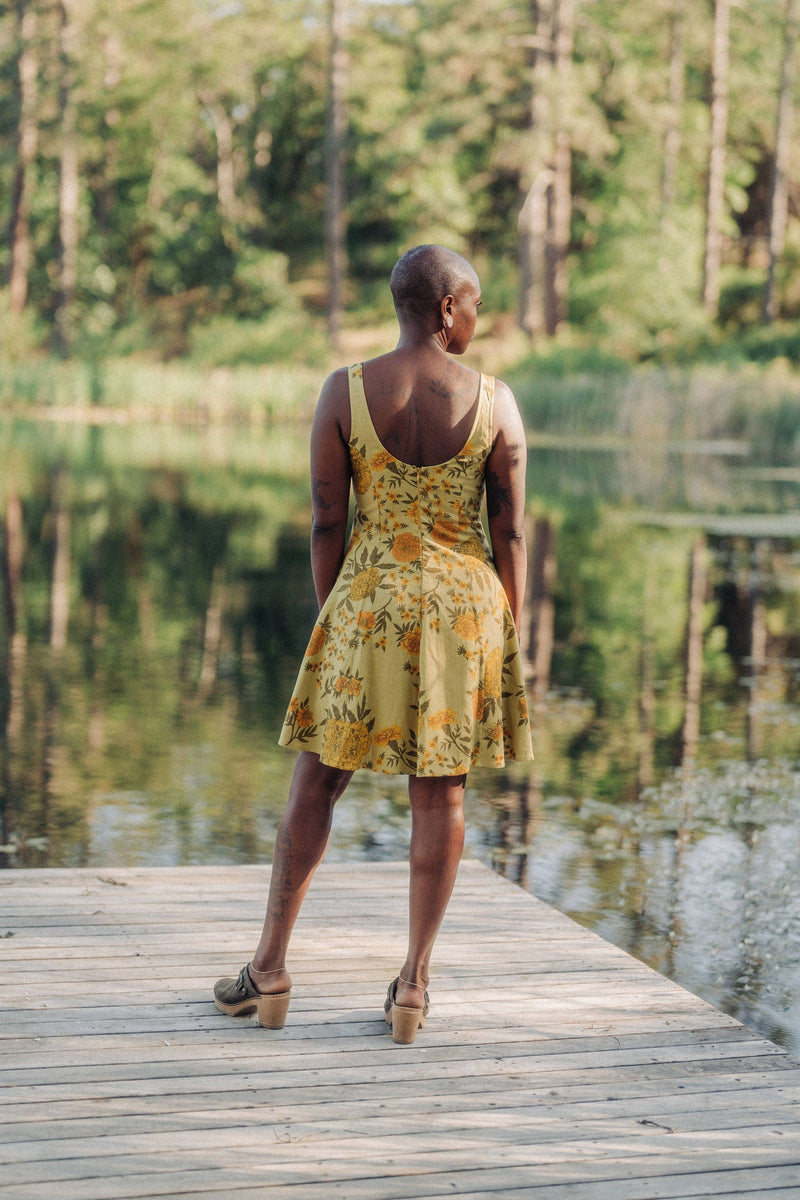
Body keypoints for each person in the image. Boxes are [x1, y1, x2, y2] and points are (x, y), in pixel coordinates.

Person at [214, 245, 533, 1043]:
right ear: (446, 309)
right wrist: (508, 628)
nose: (478, 319)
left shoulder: (344, 392)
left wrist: (341, 615)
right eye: (475, 305)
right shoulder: (495, 400)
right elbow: (511, 530)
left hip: (368, 603)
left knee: (316, 782)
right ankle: (413, 988)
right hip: (463, 612)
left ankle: (270, 969)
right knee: (442, 792)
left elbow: (328, 521)